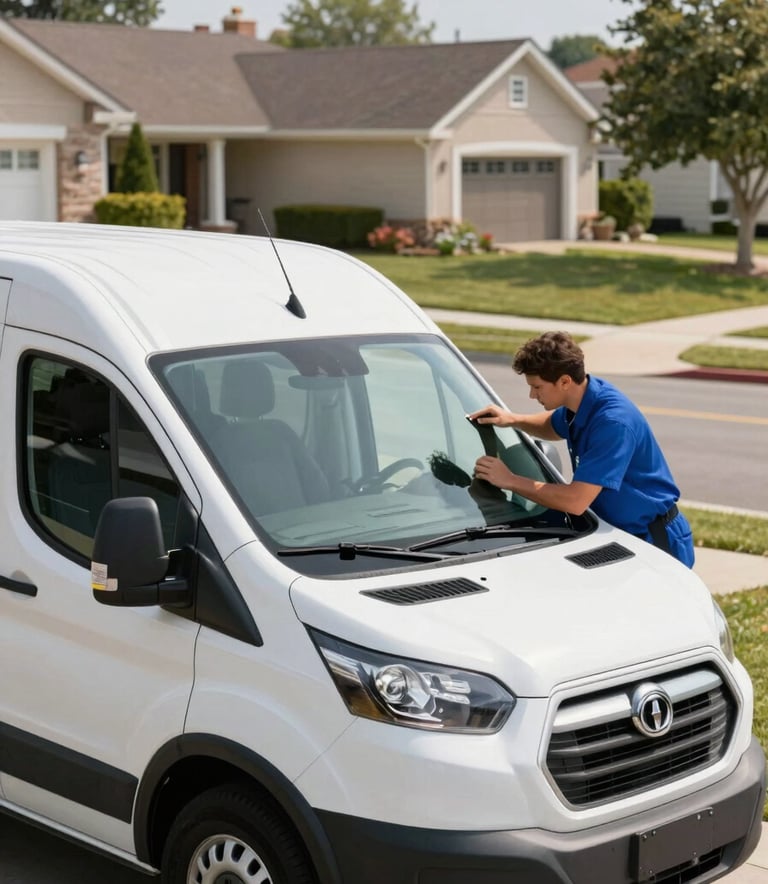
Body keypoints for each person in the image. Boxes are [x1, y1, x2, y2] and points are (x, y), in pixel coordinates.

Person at [470, 331, 695, 567]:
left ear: (565, 381)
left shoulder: (612, 423)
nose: (531, 394)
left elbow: (575, 501)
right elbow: (552, 426)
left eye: (537, 387)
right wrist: (512, 419)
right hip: (621, 533)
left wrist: (510, 480)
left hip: (655, 540)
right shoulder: (583, 399)